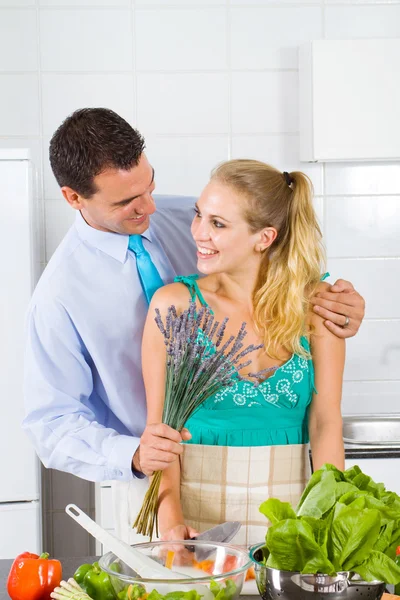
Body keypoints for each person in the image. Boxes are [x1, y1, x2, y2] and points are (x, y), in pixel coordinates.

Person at [23, 108, 364, 543]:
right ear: (74, 198)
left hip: (273, 476)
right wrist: (137, 454)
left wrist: (338, 298)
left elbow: (275, 249)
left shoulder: (190, 216)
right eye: (127, 202)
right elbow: (50, 424)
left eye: (149, 186)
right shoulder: (58, 296)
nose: (148, 207)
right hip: (151, 483)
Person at [142, 159, 346, 546]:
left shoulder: (317, 308)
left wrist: (331, 520)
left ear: (264, 237)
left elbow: (325, 426)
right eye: (199, 215)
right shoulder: (174, 306)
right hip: (197, 524)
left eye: (218, 224)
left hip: (292, 522)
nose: (199, 233)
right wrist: (172, 528)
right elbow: (160, 434)